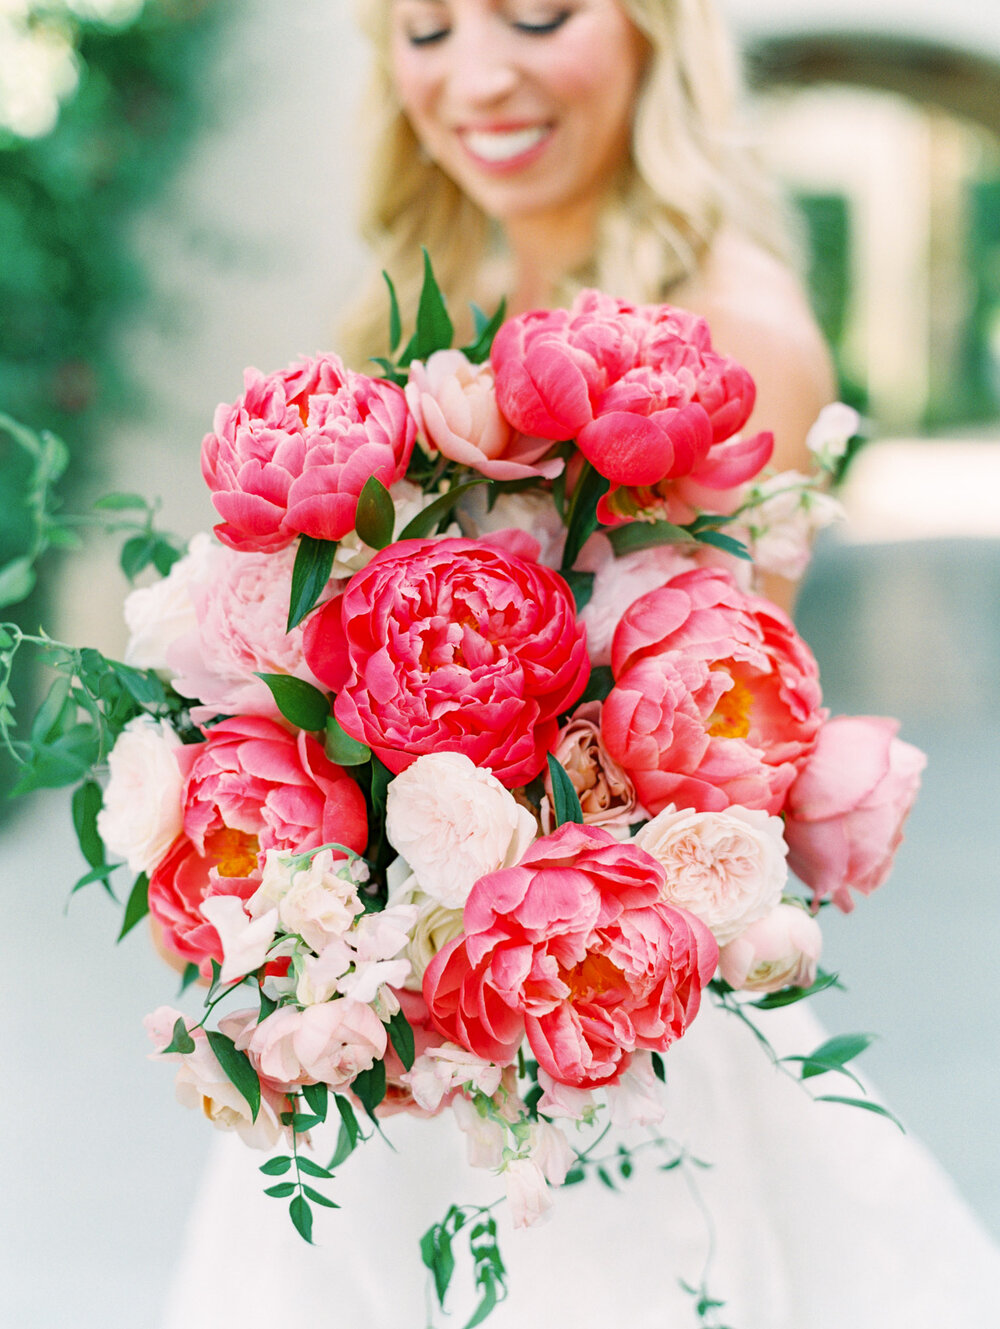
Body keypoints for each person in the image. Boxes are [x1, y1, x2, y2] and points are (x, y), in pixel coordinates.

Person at [162, 4, 1000, 1326]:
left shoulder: (729, 341)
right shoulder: (419, 302)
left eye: (538, 12)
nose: (477, 75)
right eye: (426, 28)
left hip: (575, 1041)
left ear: (656, 28)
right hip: (380, 1032)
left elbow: (718, 761)